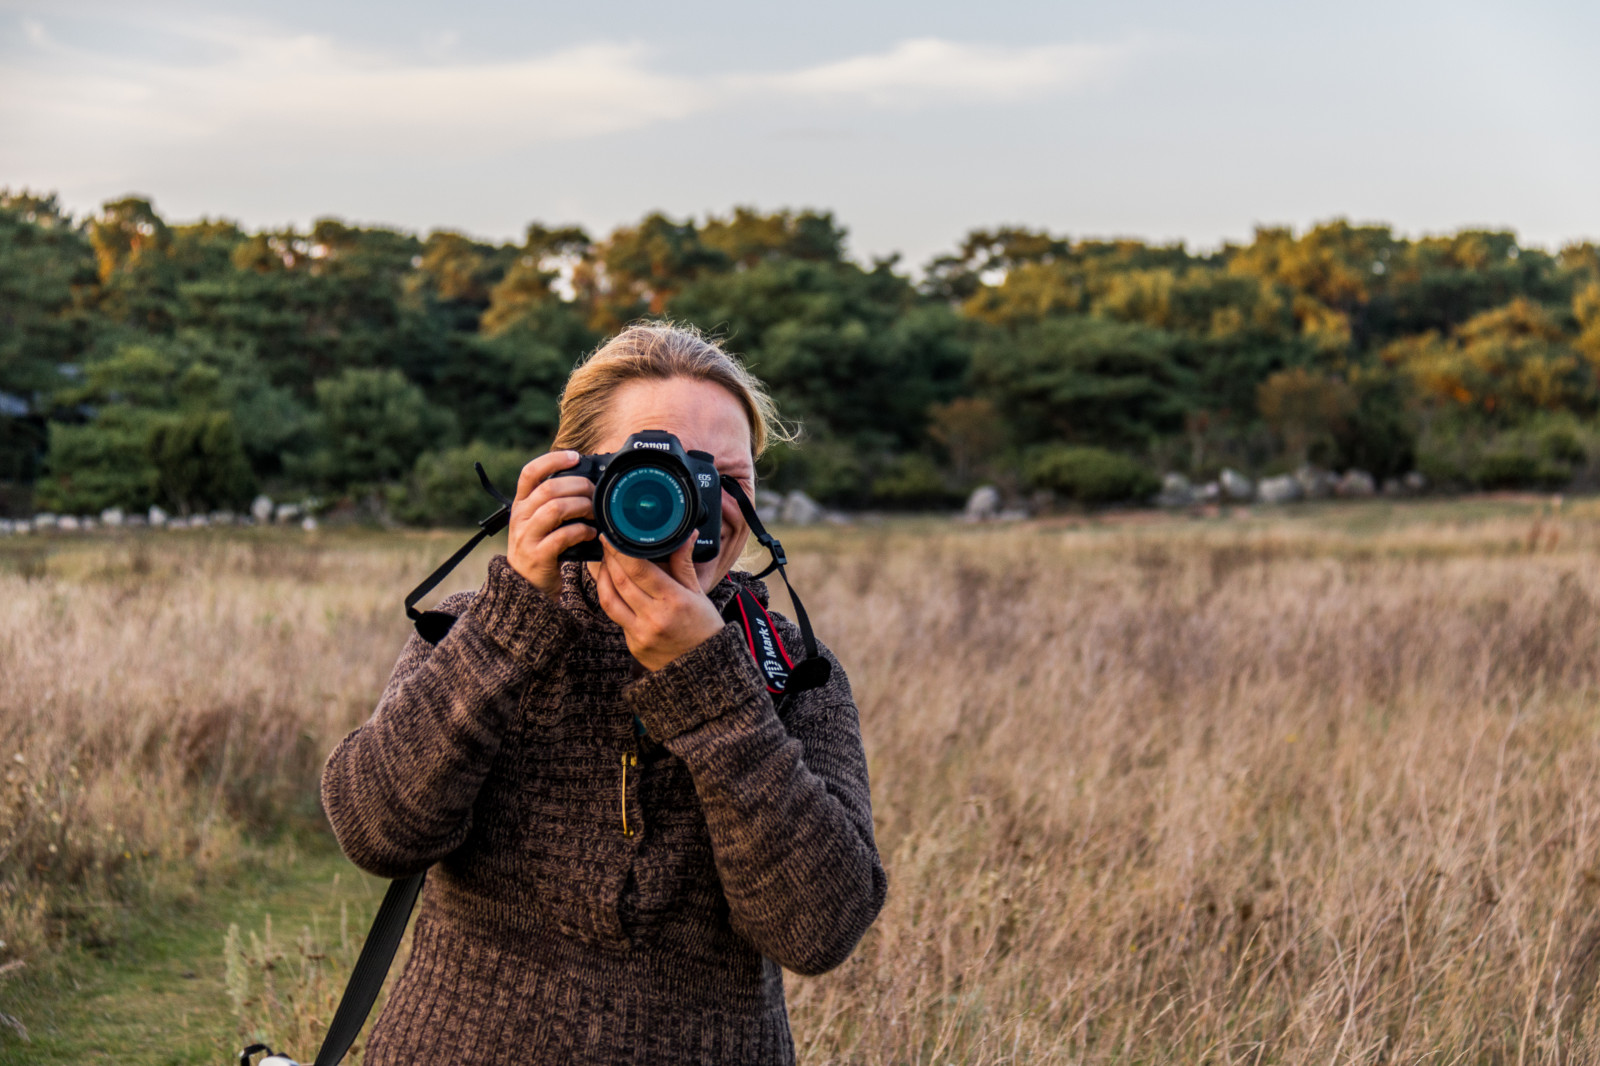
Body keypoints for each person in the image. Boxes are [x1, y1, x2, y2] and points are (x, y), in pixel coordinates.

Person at [320, 323, 887, 1064]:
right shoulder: (473, 630)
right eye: (656, 466)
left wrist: (710, 683)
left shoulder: (792, 668)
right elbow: (378, 832)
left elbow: (818, 930)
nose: (691, 498)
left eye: (728, 479)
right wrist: (512, 621)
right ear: (573, 478)